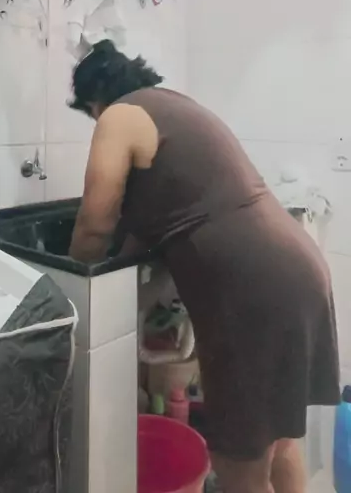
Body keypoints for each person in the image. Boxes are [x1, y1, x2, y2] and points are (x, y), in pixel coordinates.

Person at [68, 40, 340, 493]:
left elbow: (95, 225)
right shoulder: (177, 108)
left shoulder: (120, 116)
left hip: (255, 287)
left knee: (237, 464)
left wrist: (72, 288)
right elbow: (157, 221)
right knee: (277, 442)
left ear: (95, 98)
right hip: (297, 267)